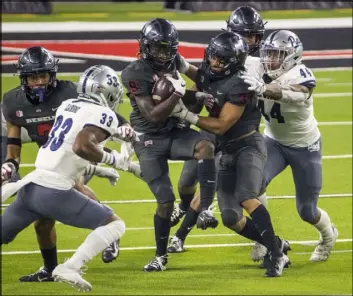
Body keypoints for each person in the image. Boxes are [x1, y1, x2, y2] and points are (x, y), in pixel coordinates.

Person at [1, 65, 137, 292]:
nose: (38, 82)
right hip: (53, 189)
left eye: (42, 76)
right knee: (115, 225)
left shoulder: (66, 104)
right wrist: (116, 160)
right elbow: (82, 145)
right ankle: (71, 267)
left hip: (31, 185)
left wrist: (123, 137)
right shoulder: (102, 113)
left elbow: (71, 144)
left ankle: (52, 267)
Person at [170, 31, 290, 277]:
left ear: (233, 62)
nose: (214, 63)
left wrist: (186, 115)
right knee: (230, 217)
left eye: (220, 60)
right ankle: (276, 244)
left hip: (248, 146)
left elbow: (222, 125)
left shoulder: (242, 84)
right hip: (226, 151)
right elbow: (200, 74)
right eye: (212, 57)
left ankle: (276, 257)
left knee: (246, 196)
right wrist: (180, 64)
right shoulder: (213, 72)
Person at [121, 18, 218, 272]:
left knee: (206, 146)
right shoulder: (134, 72)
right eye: (158, 48)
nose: (163, 54)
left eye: (168, 49)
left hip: (173, 130)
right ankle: (160, 256)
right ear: (145, 46)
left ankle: (205, 209)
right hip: (149, 138)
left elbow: (200, 76)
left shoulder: (175, 60)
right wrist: (177, 93)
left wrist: (210, 83)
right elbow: (152, 114)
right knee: (165, 201)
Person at [240, 29, 338, 262]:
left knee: (307, 211)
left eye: (277, 54)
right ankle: (264, 238)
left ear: (292, 56)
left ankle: (328, 236)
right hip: (273, 141)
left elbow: (299, 92)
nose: (270, 59)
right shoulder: (257, 66)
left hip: (305, 147)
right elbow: (225, 59)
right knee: (251, 187)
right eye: (269, 53)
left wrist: (263, 89)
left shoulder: (300, 74)